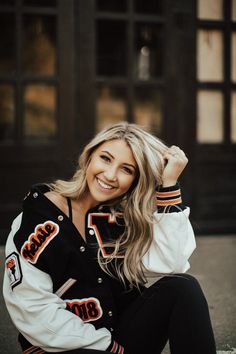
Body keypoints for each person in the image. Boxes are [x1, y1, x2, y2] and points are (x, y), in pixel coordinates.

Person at [3, 122, 216, 354]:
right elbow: (31, 307)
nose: (111, 175)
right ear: (89, 157)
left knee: (184, 288)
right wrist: (108, 347)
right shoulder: (38, 217)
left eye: (127, 169)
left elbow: (172, 262)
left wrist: (169, 185)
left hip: (119, 339)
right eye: (105, 158)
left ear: (135, 180)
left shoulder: (120, 217)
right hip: (63, 346)